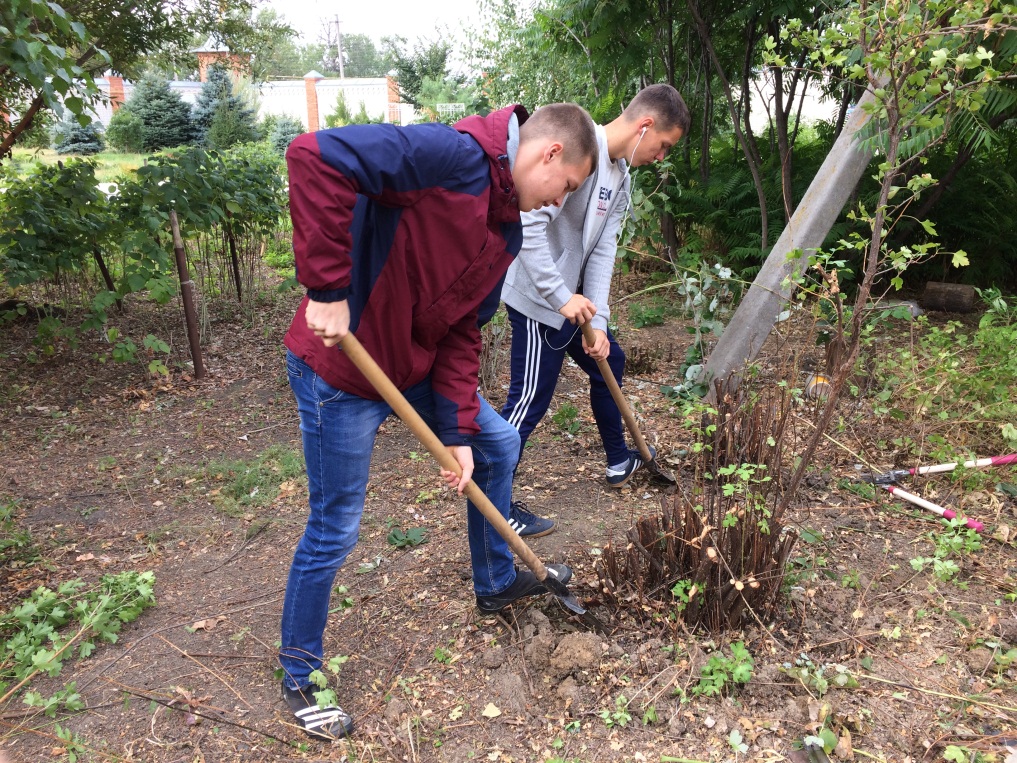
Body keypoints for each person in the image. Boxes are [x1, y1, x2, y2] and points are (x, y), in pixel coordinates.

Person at [279, 103, 597, 740]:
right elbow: (313, 156)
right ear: (549, 155)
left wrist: (455, 434)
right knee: (335, 527)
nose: (557, 205)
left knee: (498, 444)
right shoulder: (449, 158)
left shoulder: (505, 230)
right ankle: (300, 669)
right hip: (343, 369)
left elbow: (460, 331)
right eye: (563, 190)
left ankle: (495, 581)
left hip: (412, 366)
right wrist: (326, 289)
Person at [499, 84, 690, 537]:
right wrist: (559, 297)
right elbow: (527, 227)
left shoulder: (622, 177)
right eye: (664, 145)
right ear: (645, 126)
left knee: (611, 358)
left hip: (574, 307)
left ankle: (618, 458)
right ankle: (494, 500)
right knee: (528, 402)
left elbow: (604, 251)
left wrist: (597, 321)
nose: (662, 157)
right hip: (538, 302)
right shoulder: (583, 153)